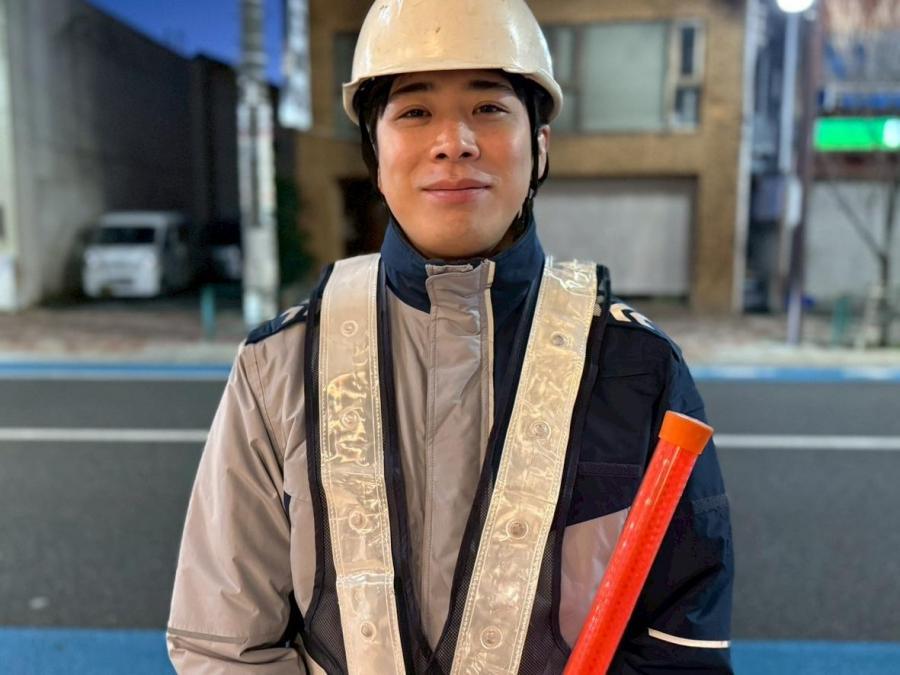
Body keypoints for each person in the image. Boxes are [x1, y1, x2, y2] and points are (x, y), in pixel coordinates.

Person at [166, 1, 734, 672]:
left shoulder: (637, 366)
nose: (454, 142)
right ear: (375, 152)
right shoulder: (280, 364)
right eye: (414, 111)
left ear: (540, 145)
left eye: (489, 107)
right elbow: (225, 645)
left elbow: (680, 648)